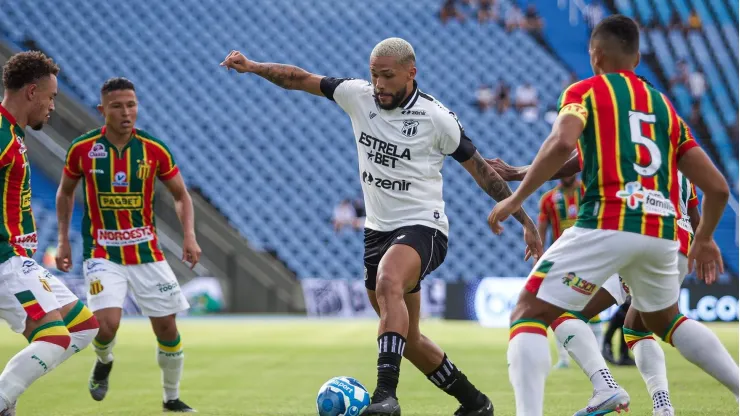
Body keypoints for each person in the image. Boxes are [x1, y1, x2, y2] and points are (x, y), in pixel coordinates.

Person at [220, 37, 543, 416]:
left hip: (425, 227)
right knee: (409, 336)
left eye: (387, 76)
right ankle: (475, 403)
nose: (379, 85)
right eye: (374, 75)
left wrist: (525, 220)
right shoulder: (357, 95)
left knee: (390, 281)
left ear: (411, 73)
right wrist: (254, 66)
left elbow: (483, 172)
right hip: (377, 232)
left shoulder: (437, 118)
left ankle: (385, 397)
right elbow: (298, 78)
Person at [488, 15, 738, 415]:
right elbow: (719, 188)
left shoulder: (585, 91)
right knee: (663, 321)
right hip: (665, 233)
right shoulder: (664, 109)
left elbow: (561, 142)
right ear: (637, 58)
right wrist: (705, 237)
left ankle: (563, 401)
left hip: (609, 220)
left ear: (595, 55)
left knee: (531, 311)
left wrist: (516, 197)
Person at [55, 77, 201, 413]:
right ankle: (104, 360)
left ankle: (171, 398)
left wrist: (189, 235)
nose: (126, 112)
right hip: (102, 253)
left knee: (167, 328)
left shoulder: (154, 149)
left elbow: (181, 195)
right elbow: (65, 192)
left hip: (147, 253)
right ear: (101, 110)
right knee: (106, 325)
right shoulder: (82, 149)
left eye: (131, 105)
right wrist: (63, 241)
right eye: (117, 105)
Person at [0, 51, 99, 415]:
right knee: (54, 337)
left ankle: (5, 399)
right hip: (4, 259)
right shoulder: (1, 133)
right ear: (31, 92)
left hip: (18, 260)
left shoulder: (12, 133)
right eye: (51, 96)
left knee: (83, 327)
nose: (53, 105)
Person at [537, 174, 604, 369]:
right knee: (557, 305)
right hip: (562, 258)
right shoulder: (549, 199)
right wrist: (540, 255)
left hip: (589, 257)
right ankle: (564, 359)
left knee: (592, 302)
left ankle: (598, 354)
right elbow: (542, 228)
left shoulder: (588, 191)